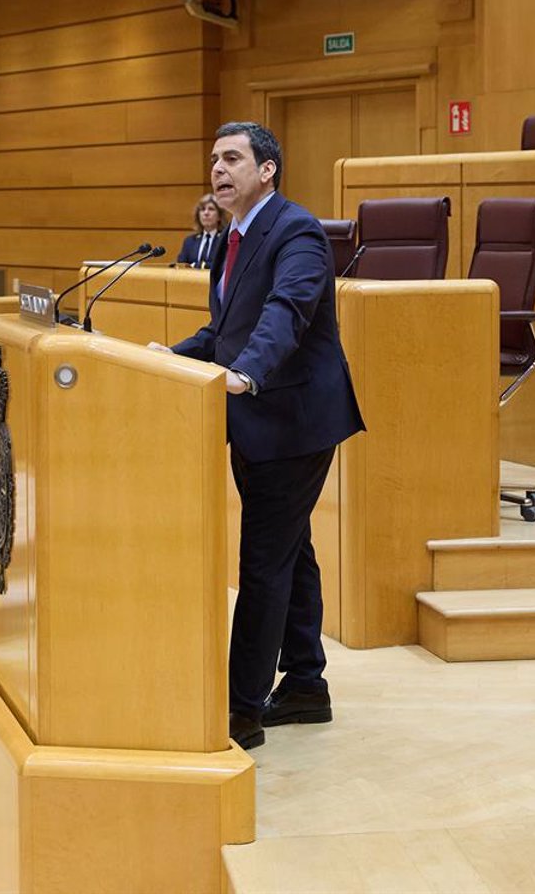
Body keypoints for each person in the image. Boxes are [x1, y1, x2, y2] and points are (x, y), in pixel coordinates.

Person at [161, 122, 364, 751]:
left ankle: (240, 715)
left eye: (232, 159)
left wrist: (247, 373)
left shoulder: (296, 231)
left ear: (267, 169)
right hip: (256, 420)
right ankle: (305, 684)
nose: (218, 170)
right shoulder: (233, 236)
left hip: (292, 422)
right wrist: (166, 357)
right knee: (289, 551)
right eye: (213, 160)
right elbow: (225, 332)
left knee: (264, 564)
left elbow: (287, 312)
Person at [175, 192, 226, 268]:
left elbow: (223, 266)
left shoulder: (225, 240)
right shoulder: (190, 241)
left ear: (219, 216)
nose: (206, 213)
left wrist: (197, 265)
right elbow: (180, 265)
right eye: (202, 209)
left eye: (211, 209)